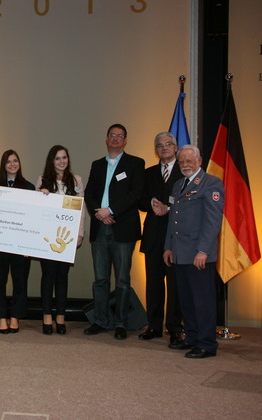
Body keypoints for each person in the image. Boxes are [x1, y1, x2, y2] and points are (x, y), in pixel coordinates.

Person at [83, 123, 145, 340]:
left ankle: (120, 322)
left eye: (120, 136)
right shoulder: (97, 165)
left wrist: (111, 211)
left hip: (123, 229)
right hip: (100, 228)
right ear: (106, 139)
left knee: (121, 280)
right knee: (100, 279)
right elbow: (89, 193)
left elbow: (135, 194)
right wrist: (99, 213)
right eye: (112, 135)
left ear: (125, 141)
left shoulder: (136, 163)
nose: (116, 139)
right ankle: (100, 320)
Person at [164, 145, 224, 358]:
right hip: (180, 253)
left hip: (199, 255)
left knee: (203, 300)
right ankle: (191, 337)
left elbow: (212, 221)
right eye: (181, 162)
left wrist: (203, 251)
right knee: (187, 300)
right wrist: (168, 247)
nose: (185, 165)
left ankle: (206, 343)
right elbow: (173, 219)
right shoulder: (179, 185)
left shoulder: (211, 184)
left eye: (189, 161)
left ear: (199, 160)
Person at [137, 132, 184, 343]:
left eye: (168, 144)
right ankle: (154, 325)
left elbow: (188, 202)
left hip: (176, 238)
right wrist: (153, 205)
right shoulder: (148, 173)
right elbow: (140, 200)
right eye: (160, 145)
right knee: (153, 283)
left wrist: (169, 208)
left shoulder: (185, 172)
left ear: (175, 148)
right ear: (155, 149)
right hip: (154, 235)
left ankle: (174, 328)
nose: (164, 147)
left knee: (175, 285)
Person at [36, 145, 86, 335]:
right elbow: (37, 210)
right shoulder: (42, 180)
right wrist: (42, 196)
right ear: (52, 161)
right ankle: (47, 316)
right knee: (48, 276)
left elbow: (81, 209)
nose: (61, 161)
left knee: (62, 277)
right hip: (47, 238)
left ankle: (61, 317)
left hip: (67, 237)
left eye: (64, 157)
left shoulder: (76, 180)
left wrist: (80, 234)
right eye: (57, 158)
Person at [0, 150, 35, 334]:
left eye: (15, 161)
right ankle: (1, 317)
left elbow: (33, 217)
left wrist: (30, 243)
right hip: (0, 242)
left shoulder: (29, 187)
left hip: (21, 244)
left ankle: (15, 316)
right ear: (3, 165)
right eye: (8, 162)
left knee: (20, 281)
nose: (12, 164)